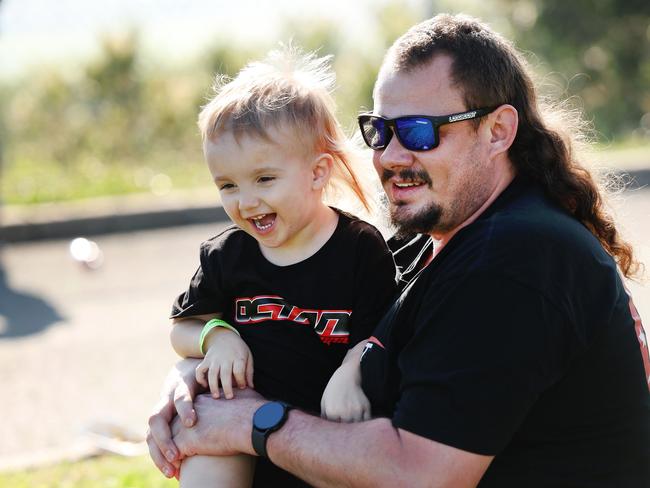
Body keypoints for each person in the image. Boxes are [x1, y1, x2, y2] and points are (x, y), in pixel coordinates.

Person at [148, 14, 650, 487]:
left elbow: (421, 474)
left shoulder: (515, 260)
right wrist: (191, 378)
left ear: (497, 131)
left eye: (418, 132)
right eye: (379, 130)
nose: (389, 156)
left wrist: (253, 423)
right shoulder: (428, 242)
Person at [163, 47, 397, 487]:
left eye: (264, 179)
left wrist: (351, 372)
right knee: (207, 454)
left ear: (317, 172)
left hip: (321, 431)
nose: (246, 201)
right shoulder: (226, 255)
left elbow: (379, 334)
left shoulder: (359, 250)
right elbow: (181, 328)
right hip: (238, 428)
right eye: (227, 185)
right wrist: (219, 338)